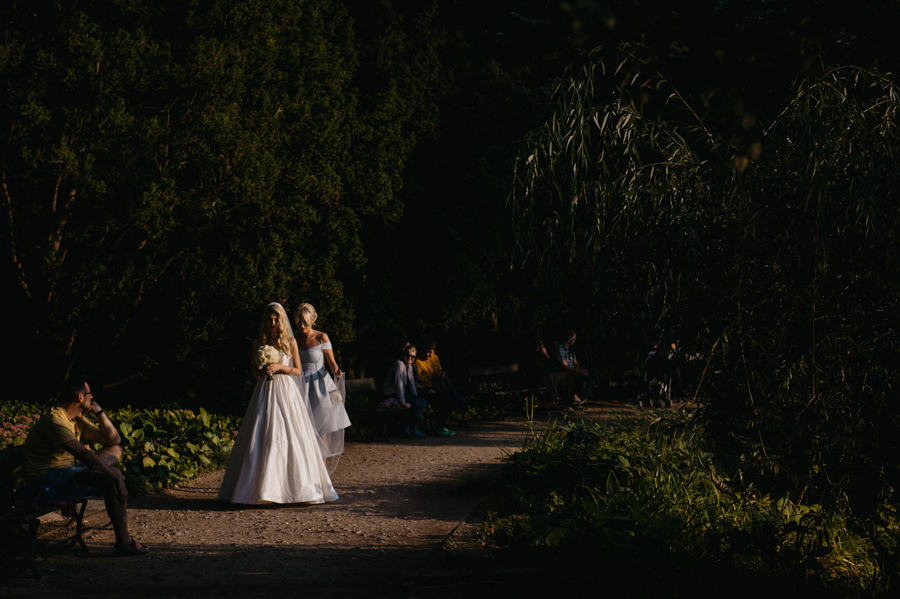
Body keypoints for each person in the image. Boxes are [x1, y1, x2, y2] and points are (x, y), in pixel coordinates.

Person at [218, 302, 338, 505]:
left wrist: (282, 366)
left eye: (276, 319)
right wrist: (263, 370)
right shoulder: (258, 342)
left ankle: (297, 490)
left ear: (280, 320)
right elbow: (254, 372)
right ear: (265, 320)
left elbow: (298, 370)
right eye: (269, 319)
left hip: (286, 391)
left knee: (290, 435)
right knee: (262, 434)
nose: (272, 323)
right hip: (265, 391)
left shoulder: (289, 342)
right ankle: (258, 489)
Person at [21, 380, 147, 556]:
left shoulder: (76, 420)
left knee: (116, 450)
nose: (93, 397)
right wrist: (112, 475)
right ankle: (124, 543)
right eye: (90, 394)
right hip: (46, 476)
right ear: (80, 397)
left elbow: (114, 440)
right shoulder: (55, 420)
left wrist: (100, 412)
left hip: (66, 470)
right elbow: (83, 454)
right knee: (110, 479)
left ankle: (95, 475)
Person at [294, 302, 351, 474]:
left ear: (312, 320)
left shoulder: (321, 337)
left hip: (320, 386)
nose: (302, 326)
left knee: (321, 427)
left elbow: (332, 362)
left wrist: (336, 371)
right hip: (301, 385)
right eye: (299, 322)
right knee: (302, 426)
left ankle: (322, 471)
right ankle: (304, 469)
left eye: (305, 322)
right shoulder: (294, 339)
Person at [414, 341, 465, 436]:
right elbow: (417, 381)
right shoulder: (417, 361)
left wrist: (441, 374)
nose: (427, 354)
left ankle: (438, 420)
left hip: (438, 388)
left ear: (434, 352)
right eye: (425, 351)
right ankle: (439, 425)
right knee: (442, 399)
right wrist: (426, 389)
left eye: (430, 352)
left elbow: (438, 371)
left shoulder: (435, 358)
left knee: (458, 400)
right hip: (423, 390)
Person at [380, 343, 428, 438]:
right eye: (408, 355)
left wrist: (415, 396)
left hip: (401, 393)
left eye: (413, 357)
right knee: (416, 404)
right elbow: (399, 385)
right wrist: (402, 402)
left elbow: (412, 383)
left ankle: (407, 426)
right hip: (391, 394)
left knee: (422, 401)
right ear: (404, 355)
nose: (410, 358)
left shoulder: (409, 366)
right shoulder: (399, 365)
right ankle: (411, 428)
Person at [556, 329, 591, 409]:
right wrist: (577, 371)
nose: (574, 340)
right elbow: (563, 365)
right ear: (569, 339)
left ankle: (580, 399)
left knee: (590, 380)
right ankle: (575, 399)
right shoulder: (560, 348)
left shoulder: (571, 349)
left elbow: (575, 363)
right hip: (567, 372)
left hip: (575, 371)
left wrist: (582, 370)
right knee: (581, 382)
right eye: (574, 339)